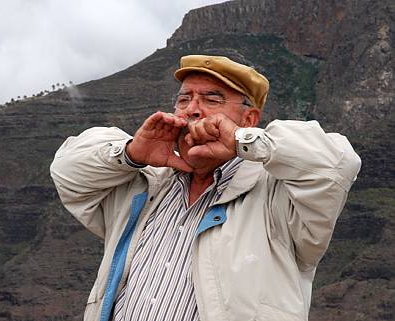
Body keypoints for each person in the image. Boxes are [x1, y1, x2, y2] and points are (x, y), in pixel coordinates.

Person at [50, 55, 361, 321]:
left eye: (212, 100)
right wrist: (132, 153)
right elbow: (66, 170)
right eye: (184, 99)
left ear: (248, 118)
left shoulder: (277, 194)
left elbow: (338, 163)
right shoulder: (145, 183)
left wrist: (241, 141)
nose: (193, 110)